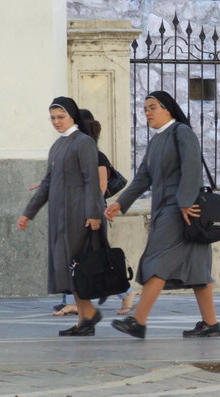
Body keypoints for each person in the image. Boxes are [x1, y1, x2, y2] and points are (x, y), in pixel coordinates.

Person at [104, 91, 220, 339]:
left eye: (152, 107)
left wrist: (185, 202)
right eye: (145, 108)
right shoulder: (157, 140)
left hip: (181, 209)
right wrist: (120, 202)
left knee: (155, 260)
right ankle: (211, 325)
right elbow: (143, 177)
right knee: (198, 267)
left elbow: (192, 168)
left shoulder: (182, 132)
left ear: (167, 109)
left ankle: (138, 321)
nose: (147, 112)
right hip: (169, 206)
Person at [17, 97, 106, 336]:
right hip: (60, 217)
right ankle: (86, 317)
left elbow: (91, 180)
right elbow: (47, 184)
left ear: (73, 117)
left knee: (77, 267)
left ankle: (87, 318)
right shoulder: (57, 145)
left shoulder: (83, 142)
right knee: (68, 268)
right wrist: (29, 213)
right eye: (53, 118)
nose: (56, 122)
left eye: (61, 117)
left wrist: (93, 214)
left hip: (79, 215)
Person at [79, 109, 136, 316]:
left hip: (93, 212)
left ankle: (126, 292)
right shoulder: (81, 153)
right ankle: (74, 300)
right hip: (81, 211)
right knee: (79, 257)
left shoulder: (96, 155)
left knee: (98, 257)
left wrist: (92, 210)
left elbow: (101, 187)